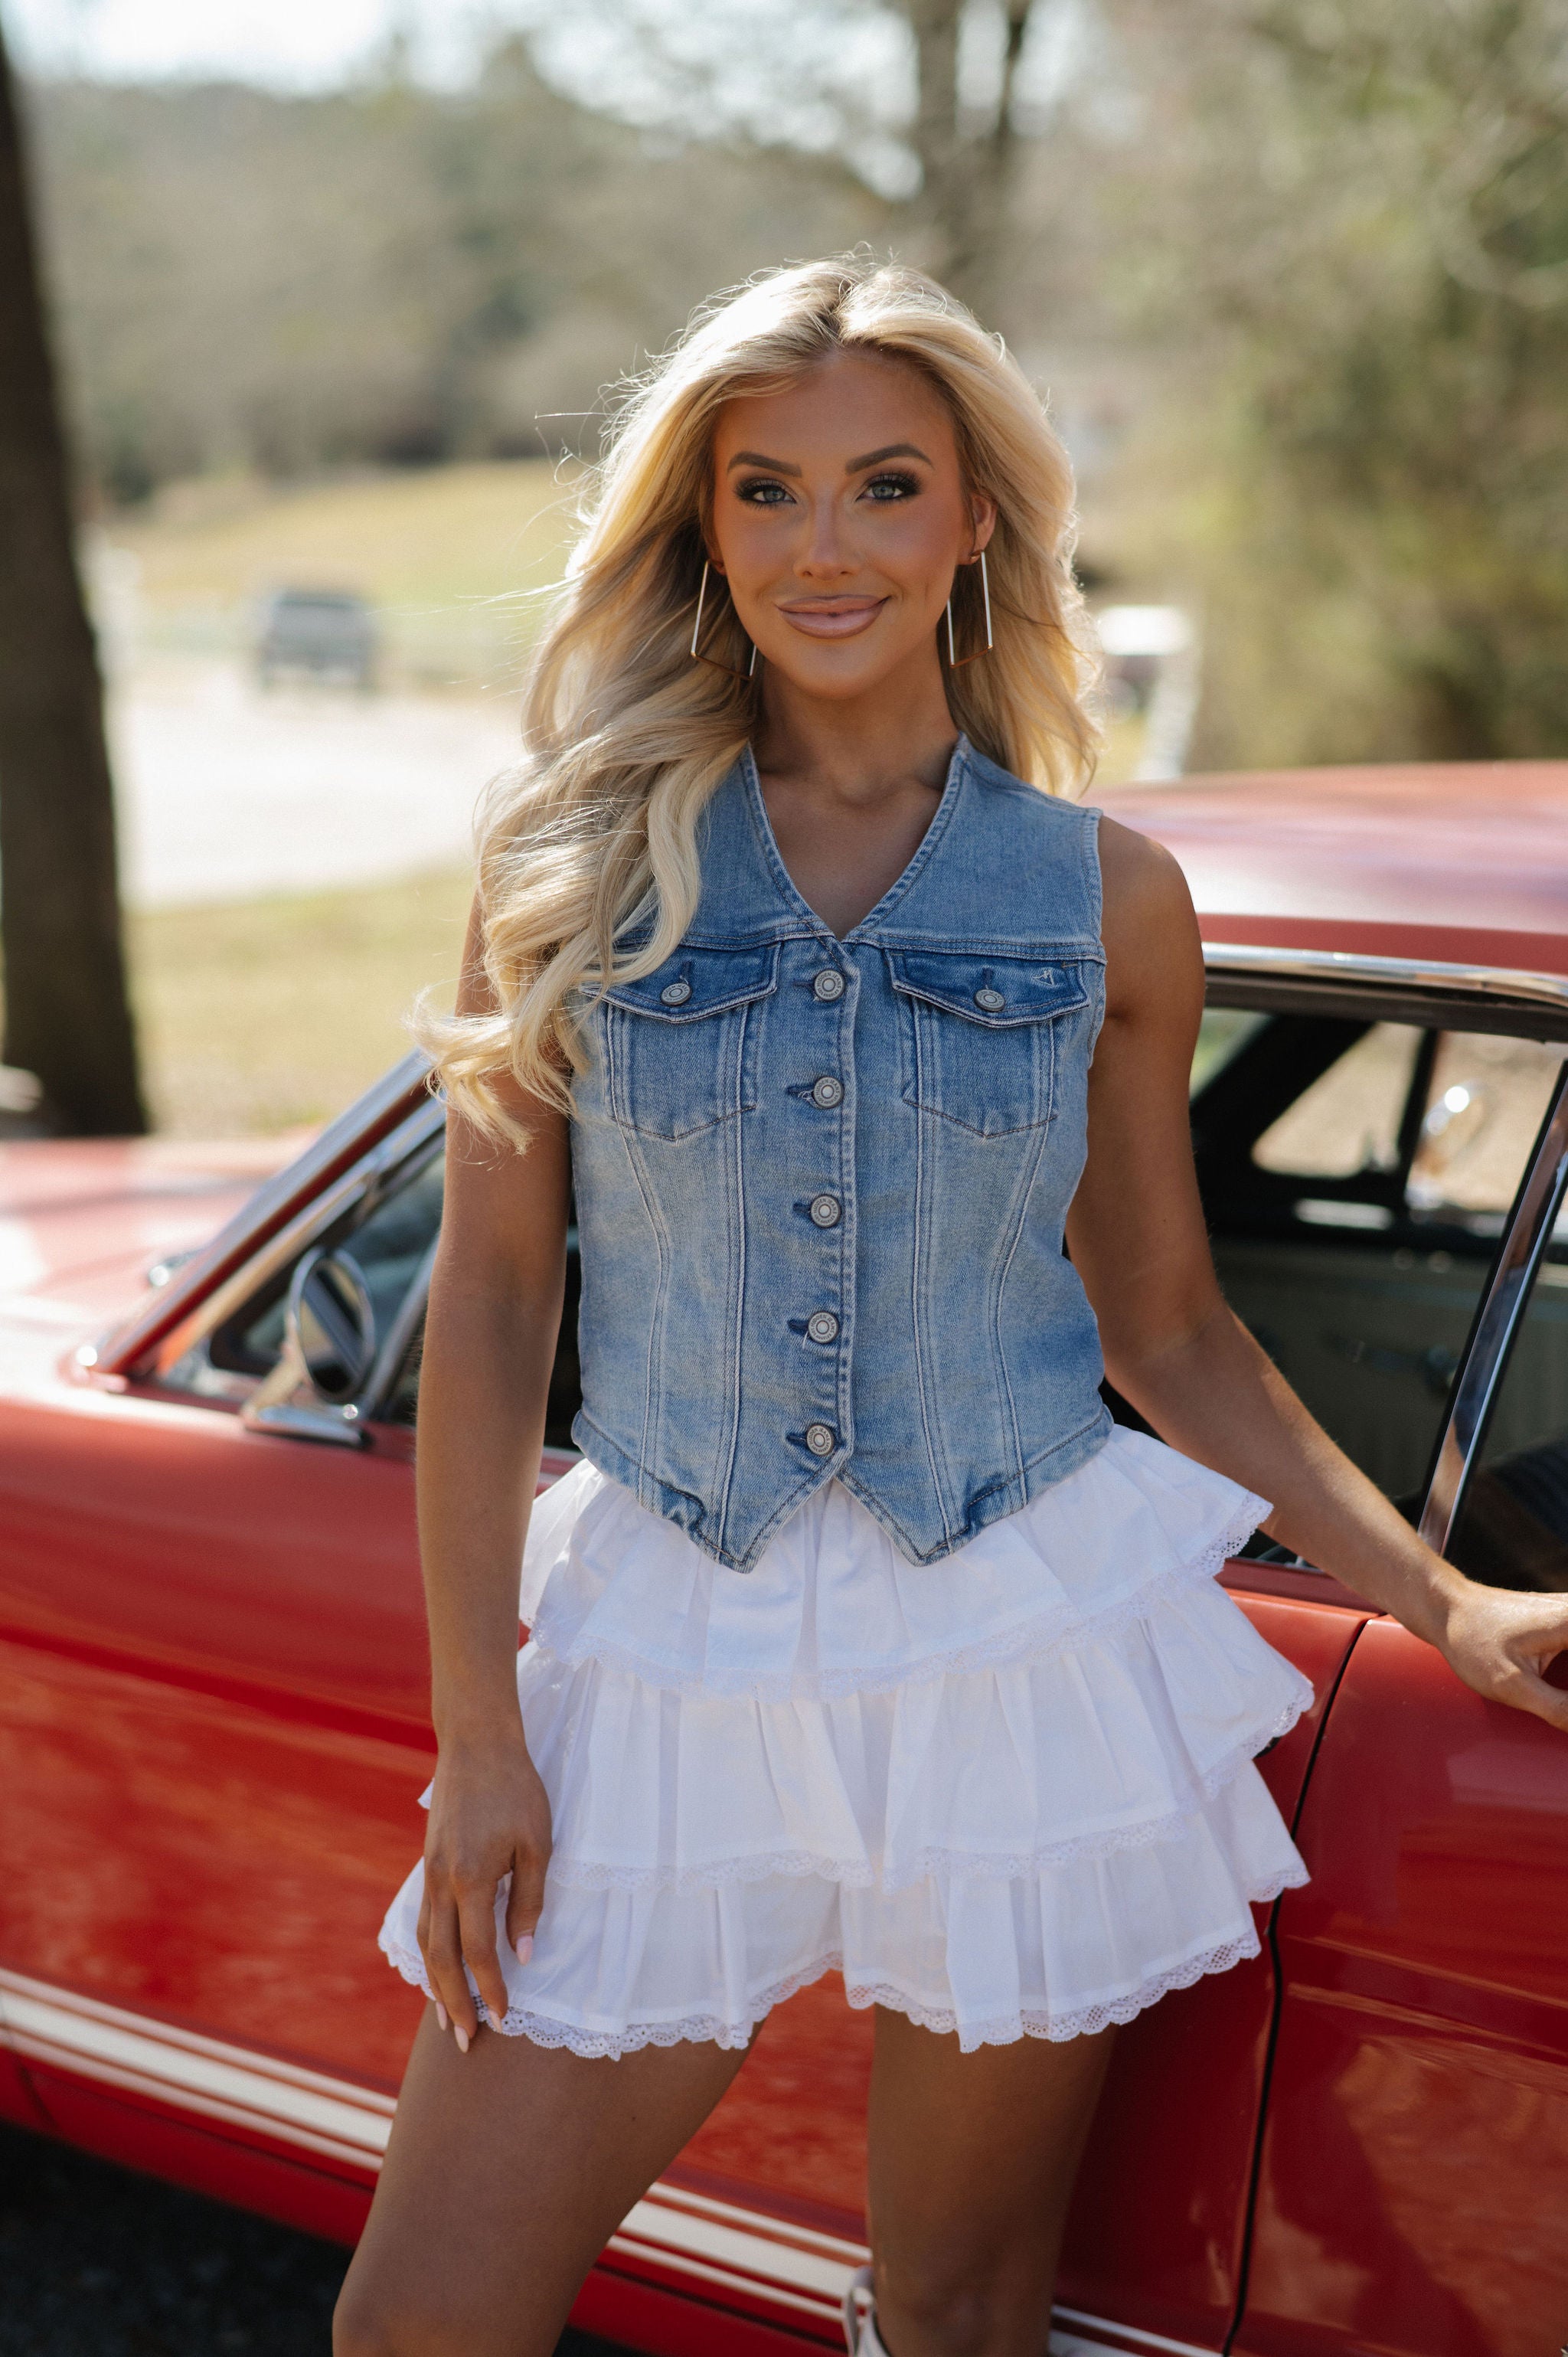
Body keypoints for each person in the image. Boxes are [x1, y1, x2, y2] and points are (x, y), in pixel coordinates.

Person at [335, 256, 1568, 2357]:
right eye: (770, 492)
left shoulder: (1105, 897)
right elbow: (492, 1301)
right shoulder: (569, 858)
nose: (829, 547)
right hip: (666, 1646)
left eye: (886, 486)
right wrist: (479, 1742)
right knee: (422, 2321)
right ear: (703, 529)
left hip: (1016, 1649)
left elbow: (1167, 1329)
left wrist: (1444, 1603)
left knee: (967, 2313)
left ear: (975, 518)